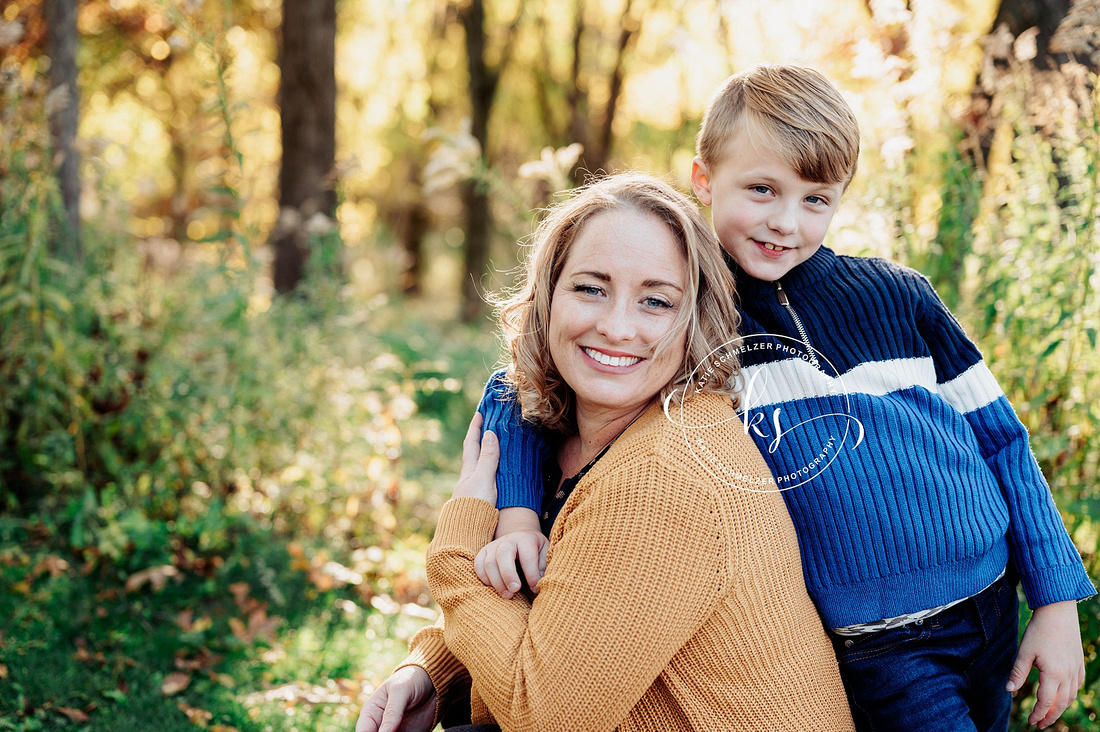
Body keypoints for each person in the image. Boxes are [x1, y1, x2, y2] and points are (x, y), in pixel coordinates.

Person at [464, 66, 1096, 731]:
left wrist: (1054, 601)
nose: (785, 222)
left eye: (816, 199)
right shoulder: (701, 316)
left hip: (992, 600)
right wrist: (516, 515)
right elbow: (525, 380)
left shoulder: (902, 295)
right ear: (704, 179)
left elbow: (1001, 438)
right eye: (762, 189)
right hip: (877, 647)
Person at [355, 172, 855, 731]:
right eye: (591, 288)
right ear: (546, 298)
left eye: (656, 302)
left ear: (696, 320)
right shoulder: (567, 435)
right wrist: (433, 671)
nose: (618, 327)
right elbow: (570, 622)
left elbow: (542, 716)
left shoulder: (663, 476)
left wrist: (455, 552)